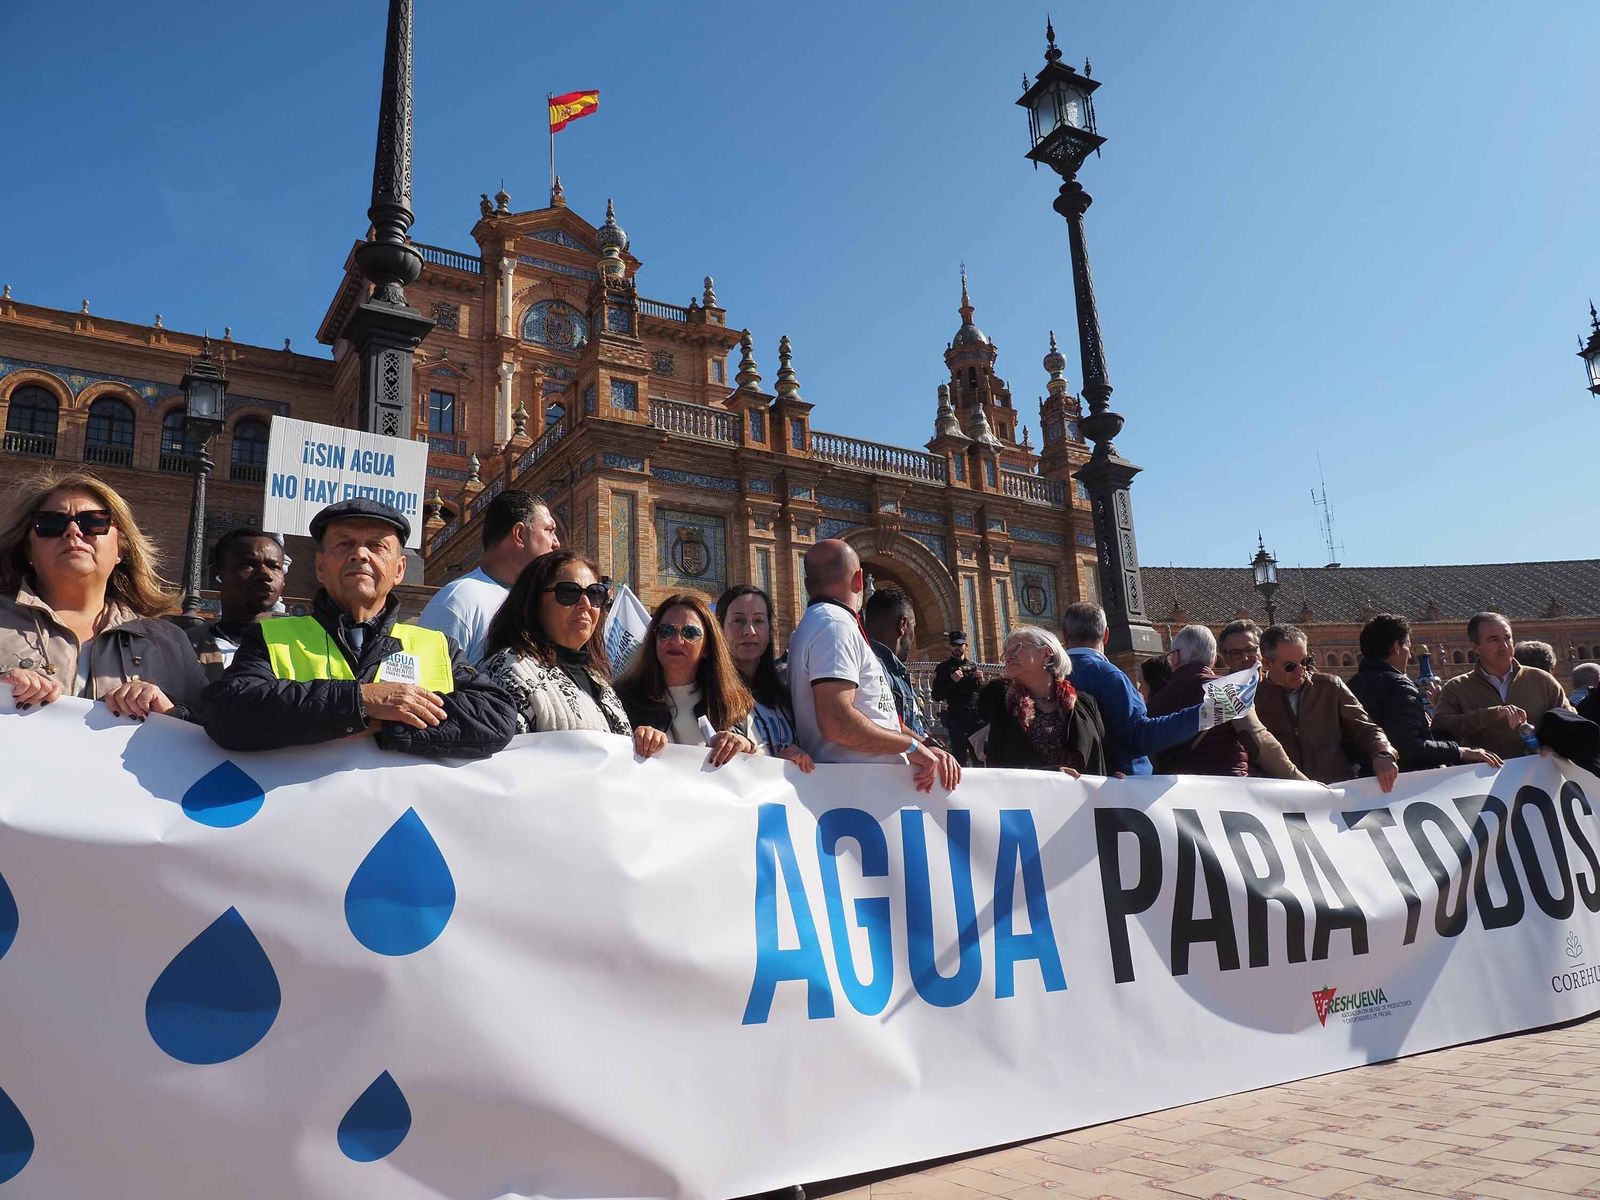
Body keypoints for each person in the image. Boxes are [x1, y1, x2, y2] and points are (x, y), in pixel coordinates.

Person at [203, 498, 516, 759]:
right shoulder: (270, 637)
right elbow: (229, 710)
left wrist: (385, 722)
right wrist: (361, 701)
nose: (360, 554)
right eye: (345, 544)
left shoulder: (438, 646)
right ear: (320, 567)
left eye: (376, 545)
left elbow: (496, 717)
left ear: (399, 569)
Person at [0, 470, 206, 720]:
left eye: (94, 522)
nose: (73, 531)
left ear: (122, 549)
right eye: (51, 523)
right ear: (27, 549)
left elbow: (211, 730)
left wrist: (172, 713)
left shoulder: (170, 643)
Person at [787, 539, 959, 792]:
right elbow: (837, 721)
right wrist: (909, 747)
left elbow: (878, 713)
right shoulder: (834, 625)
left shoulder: (828, 624)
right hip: (860, 788)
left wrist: (924, 744)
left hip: (868, 786)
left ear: (807, 585)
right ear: (859, 580)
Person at [480, 549, 637, 741]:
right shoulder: (508, 670)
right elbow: (501, 753)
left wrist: (642, 743)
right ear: (534, 601)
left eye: (595, 593)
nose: (586, 604)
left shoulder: (599, 680)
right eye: (569, 592)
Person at [616, 593, 761, 767]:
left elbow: (763, 766)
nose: (676, 641)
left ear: (707, 647)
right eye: (666, 631)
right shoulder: (623, 701)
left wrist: (745, 745)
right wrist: (636, 739)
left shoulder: (733, 706)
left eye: (690, 633)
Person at [1148, 625, 1308, 781]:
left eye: (1250, 650)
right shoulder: (1228, 690)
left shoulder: (1155, 702)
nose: (1245, 657)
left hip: (1177, 790)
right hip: (1228, 785)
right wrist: (1304, 783)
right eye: (1236, 653)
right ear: (1215, 659)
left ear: (1175, 657)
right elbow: (1259, 742)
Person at [416, 490, 559, 664]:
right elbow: (428, 676)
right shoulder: (459, 601)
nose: (556, 543)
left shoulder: (543, 603)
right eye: (549, 530)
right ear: (520, 534)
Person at [1060, 601, 1201, 776]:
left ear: (1064, 634)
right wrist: (1202, 714)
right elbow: (1140, 737)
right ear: (1106, 635)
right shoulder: (1108, 675)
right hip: (1122, 783)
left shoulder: (1051, 674)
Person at [1348, 614, 1501, 773]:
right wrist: (1461, 752)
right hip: (1405, 779)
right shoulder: (1399, 685)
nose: (1410, 655)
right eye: (1408, 646)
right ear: (1396, 647)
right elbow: (1410, 747)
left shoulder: (1350, 686)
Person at [1255, 624, 1398, 790]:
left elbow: (1365, 728)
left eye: (1305, 661)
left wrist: (1383, 753)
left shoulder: (1330, 686)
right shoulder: (1254, 697)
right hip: (1281, 792)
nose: (1300, 671)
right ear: (1267, 664)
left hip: (1333, 789)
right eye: (1290, 666)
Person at [1433, 612, 1573, 760]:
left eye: (1507, 638)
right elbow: (1440, 728)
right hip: (1485, 772)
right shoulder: (1456, 687)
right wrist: (1492, 714)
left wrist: (1553, 744)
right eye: (1494, 640)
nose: (1504, 646)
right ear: (1475, 647)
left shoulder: (1542, 680)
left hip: (1541, 770)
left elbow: (1570, 721)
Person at [976, 626, 1107, 775]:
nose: (1008, 656)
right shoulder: (1003, 709)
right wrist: (1053, 774)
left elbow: (1103, 755)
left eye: (1017, 647)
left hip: (1083, 790)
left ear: (1046, 654)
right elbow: (998, 771)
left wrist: (1117, 777)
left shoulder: (1085, 705)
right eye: (1006, 651)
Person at [716, 584, 814, 771]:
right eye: (738, 621)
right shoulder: (708, 695)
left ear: (770, 632)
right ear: (720, 629)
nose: (749, 631)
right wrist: (775, 762)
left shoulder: (785, 698)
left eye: (759, 621)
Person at [186, 529, 288, 683]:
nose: (265, 574)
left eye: (274, 566)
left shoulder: (300, 646)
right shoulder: (185, 647)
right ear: (217, 574)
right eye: (248, 565)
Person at [862, 584, 929, 739]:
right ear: (903, 625)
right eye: (913, 626)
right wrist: (923, 745)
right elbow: (888, 726)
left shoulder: (870, 663)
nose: (913, 636)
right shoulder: (875, 670)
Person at [931, 630, 984, 766]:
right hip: (956, 720)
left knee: (979, 758)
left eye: (960, 645)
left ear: (966, 646)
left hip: (974, 719)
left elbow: (977, 693)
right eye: (954, 645)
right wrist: (952, 681)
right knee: (959, 760)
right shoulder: (943, 668)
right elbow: (936, 696)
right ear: (950, 646)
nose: (957, 648)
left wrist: (981, 682)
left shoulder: (972, 666)